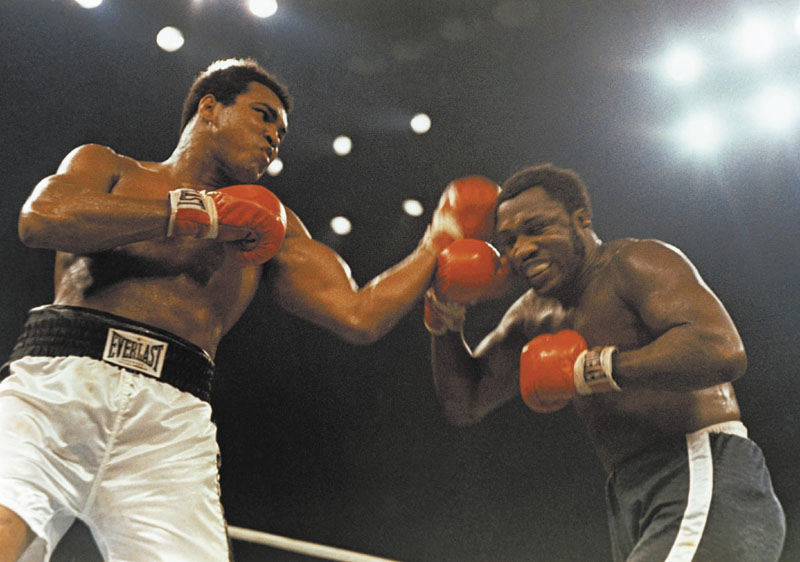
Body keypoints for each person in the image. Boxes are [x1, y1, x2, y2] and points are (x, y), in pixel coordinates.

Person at [0, 57, 501, 562]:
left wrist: (439, 240)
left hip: (169, 423)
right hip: (58, 388)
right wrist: (200, 214)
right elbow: (42, 219)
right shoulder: (110, 166)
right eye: (263, 116)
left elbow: (359, 315)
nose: (273, 137)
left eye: (281, 131)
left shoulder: (271, 226)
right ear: (211, 109)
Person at [425, 163, 785, 561]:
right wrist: (444, 318)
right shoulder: (531, 314)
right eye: (508, 240)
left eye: (537, 228)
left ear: (581, 220)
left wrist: (595, 370)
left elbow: (721, 350)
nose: (521, 249)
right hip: (628, 492)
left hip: (698, 468)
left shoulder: (634, 263)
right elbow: (466, 403)